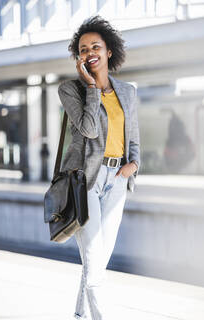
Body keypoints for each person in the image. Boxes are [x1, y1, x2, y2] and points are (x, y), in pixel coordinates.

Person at [57, 15, 140, 320]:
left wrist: (134, 165)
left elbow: (134, 137)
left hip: (117, 180)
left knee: (98, 261)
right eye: (82, 49)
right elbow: (90, 128)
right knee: (93, 261)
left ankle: (80, 316)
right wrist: (91, 86)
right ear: (78, 57)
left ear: (108, 51)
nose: (89, 52)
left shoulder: (128, 92)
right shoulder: (70, 90)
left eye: (95, 46)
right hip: (85, 182)